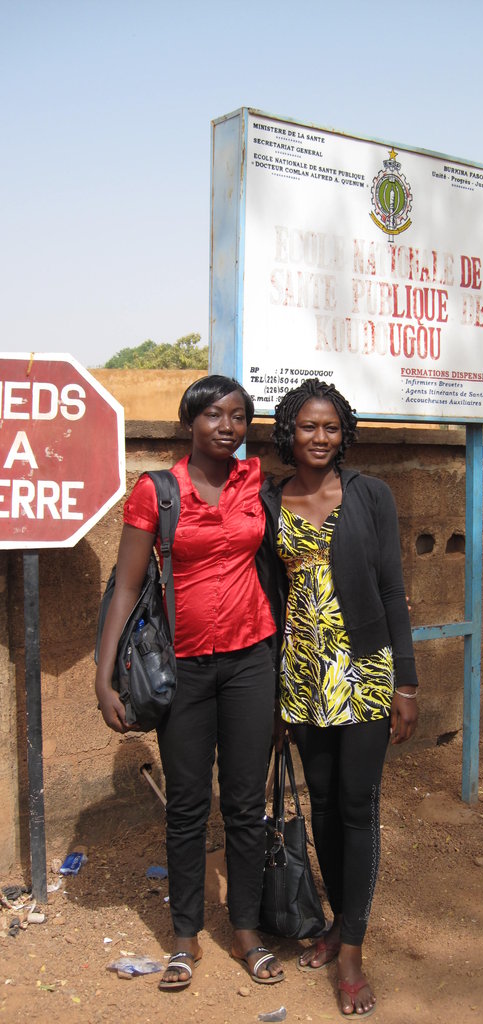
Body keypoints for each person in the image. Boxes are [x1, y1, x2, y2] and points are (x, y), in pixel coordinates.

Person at [95, 375, 284, 990]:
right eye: (212, 415)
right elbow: (125, 585)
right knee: (186, 804)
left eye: (238, 416)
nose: (226, 427)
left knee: (245, 802)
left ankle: (248, 929)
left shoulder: (256, 483)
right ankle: (183, 937)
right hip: (184, 666)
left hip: (252, 659)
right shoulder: (157, 491)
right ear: (188, 423)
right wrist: (105, 678)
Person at [258, 378, 418, 1018]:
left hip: (364, 669)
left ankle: (351, 947)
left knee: (357, 804)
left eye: (330, 428)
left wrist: (405, 681)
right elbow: (266, 598)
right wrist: (270, 692)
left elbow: (391, 590)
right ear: (288, 433)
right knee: (321, 802)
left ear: (343, 432)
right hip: (300, 671)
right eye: (307, 427)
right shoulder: (270, 502)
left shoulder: (369, 495)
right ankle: (334, 920)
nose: (320, 438)